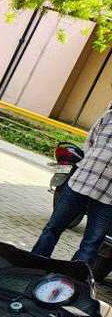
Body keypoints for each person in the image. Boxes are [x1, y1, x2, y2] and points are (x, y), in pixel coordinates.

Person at [33, 105, 112, 265]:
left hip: (108, 195)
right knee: (52, 228)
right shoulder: (108, 116)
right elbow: (90, 142)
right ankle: (32, 268)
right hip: (80, 182)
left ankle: (73, 280)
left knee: (91, 245)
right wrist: (92, 163)